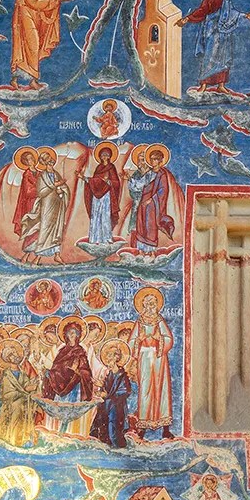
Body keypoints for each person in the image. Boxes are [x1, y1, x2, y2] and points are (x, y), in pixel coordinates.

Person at [178, 0, 250, 95]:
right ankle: (203, 85)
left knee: (224, 57)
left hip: (224, 32)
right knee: (209, 57)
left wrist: (245, 16)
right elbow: (202, 10)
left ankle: (221, 85)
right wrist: (187, 19)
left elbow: (231, 12)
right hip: (212, 31)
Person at [12, 0, 77, 87]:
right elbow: (34, 2)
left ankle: (27, 80)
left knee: (35, 47)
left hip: (36, 17)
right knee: (31, 45)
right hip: (25, 18)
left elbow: (45, 0)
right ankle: (26, 80)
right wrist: (58, 0)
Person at [128, 287, 174, 440]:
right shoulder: (140, 321)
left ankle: (165, 428)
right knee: (145, 390)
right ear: (144, 305)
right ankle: (143, 427)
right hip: (144, 357)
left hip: (159, 358)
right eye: (148, 304)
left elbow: (168, 338)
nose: (151, 306)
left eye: (153, 303)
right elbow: (131, 341)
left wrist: (159, 338)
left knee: (162, 389)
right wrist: (140, 339)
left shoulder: (159, 320)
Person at [16, 147, 69, 261]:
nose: (32, 161)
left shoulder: (41, 172)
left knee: (45, 228)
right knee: (35, 228)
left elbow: (58, 186)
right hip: (33, 204)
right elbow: (30, 191)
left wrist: (59, 190)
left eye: (32, 158)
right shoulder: (28, 175)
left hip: (49, 202)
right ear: (25, 162)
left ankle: (39, 257)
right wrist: (53, 186)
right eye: (29, 160)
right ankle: (28, 255)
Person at [44, 319, 95, 437]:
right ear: (65, 335)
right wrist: (50, 373)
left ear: (78, 335)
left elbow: (86, 372)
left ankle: (68, 435)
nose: (71, 335)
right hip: (61, 385)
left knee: (71, 413)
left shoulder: (80, 352)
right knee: (61, 412)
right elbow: (56, 367)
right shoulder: (62, 351)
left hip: (74, 386)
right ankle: (60, 434)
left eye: (74, 333)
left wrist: (77, 371)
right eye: (69, 333)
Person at [128, 145, 174, 250]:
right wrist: (130, 180)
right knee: (141, 225)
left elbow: (163, 190)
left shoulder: (162, 174)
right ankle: (141, 249)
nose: (153, 161)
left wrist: (151, 200)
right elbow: (140, 184)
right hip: (143, 202)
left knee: (150, 226)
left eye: (155, 159)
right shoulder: (149, 173)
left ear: (160, 161)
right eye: (152, 159)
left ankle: (150, 250)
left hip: (153, 204)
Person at [90, 340, 133, 448]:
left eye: (110, 356)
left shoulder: (122, 375)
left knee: (113, 431)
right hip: (106, 406)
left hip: (116, 408)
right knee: (102, 430)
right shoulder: (109, 374)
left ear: (116, 357)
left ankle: (119, 450)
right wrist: (100, 387)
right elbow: (107, 389)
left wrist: (107, 395)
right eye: (107, 356)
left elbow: (125, 392)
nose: (107, 359)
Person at [84, 143, 122, 245]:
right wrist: (87, 179)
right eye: (102, 155)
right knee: (96, 215)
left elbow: (117, 183)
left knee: (105, 216)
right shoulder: (98, 168)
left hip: (107, 196)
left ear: (110, 156)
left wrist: (108, 181)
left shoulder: (111, 167)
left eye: (106, 155)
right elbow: (94, 181)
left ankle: (106, 238)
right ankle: (95, 238)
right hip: (97, 196)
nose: (104, 157)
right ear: (100, 157)